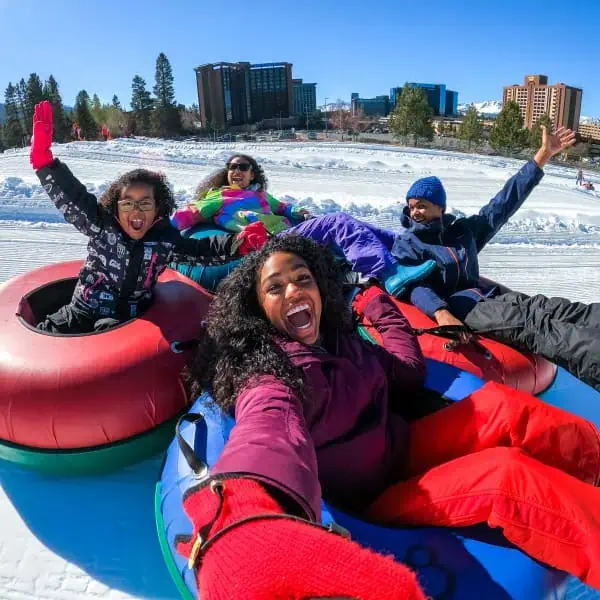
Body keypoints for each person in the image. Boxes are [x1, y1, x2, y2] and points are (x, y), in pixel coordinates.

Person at [178, 235, 600, 598]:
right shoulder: (273, 374)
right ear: (258, 308)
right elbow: (267, 433)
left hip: (398, 447)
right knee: (507, 475)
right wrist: (239, 511)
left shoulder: (342, 341)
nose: (292, 291)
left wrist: (379, 305)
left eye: (302, 279)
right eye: (275, 288)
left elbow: (407, 372)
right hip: (369, 503)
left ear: (322, 287)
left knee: (504, 409)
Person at [391, 126, 600, 390]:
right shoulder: (409, 242)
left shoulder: (461, 232)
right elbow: (412, 284)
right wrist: (441, 312)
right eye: (411, 206)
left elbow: (503, 203)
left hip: (487, 296)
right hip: (463, 307)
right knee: (537, 326)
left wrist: (542, 156)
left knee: (548, 307)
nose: (415, 211)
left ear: (440, 207)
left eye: (422, 205)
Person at [29, 101, 260, 334]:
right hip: (82, 308)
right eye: (127, 203)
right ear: (115, 207)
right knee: (43, 336)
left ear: (158, 209)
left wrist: (237, 244)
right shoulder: (101, 225)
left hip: (128, 320)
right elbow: (73, 197)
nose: (136, 210)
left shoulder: (164, 240)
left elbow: (201, 250)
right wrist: (44, 160)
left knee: (111, 345)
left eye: (145, 203)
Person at [172, 154, 436, 296]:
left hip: (286, 232)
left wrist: (300, 212)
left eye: (242, 166)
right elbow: (188, 214)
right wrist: (159, 227)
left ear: (253, 173)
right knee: (338, 221)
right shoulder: (219, 197)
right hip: (268, 243)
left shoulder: (261, 196)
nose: (235, 171)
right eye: (231, 167)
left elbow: (284, 208)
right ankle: (390, 275)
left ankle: (414, 250)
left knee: (355, 225)